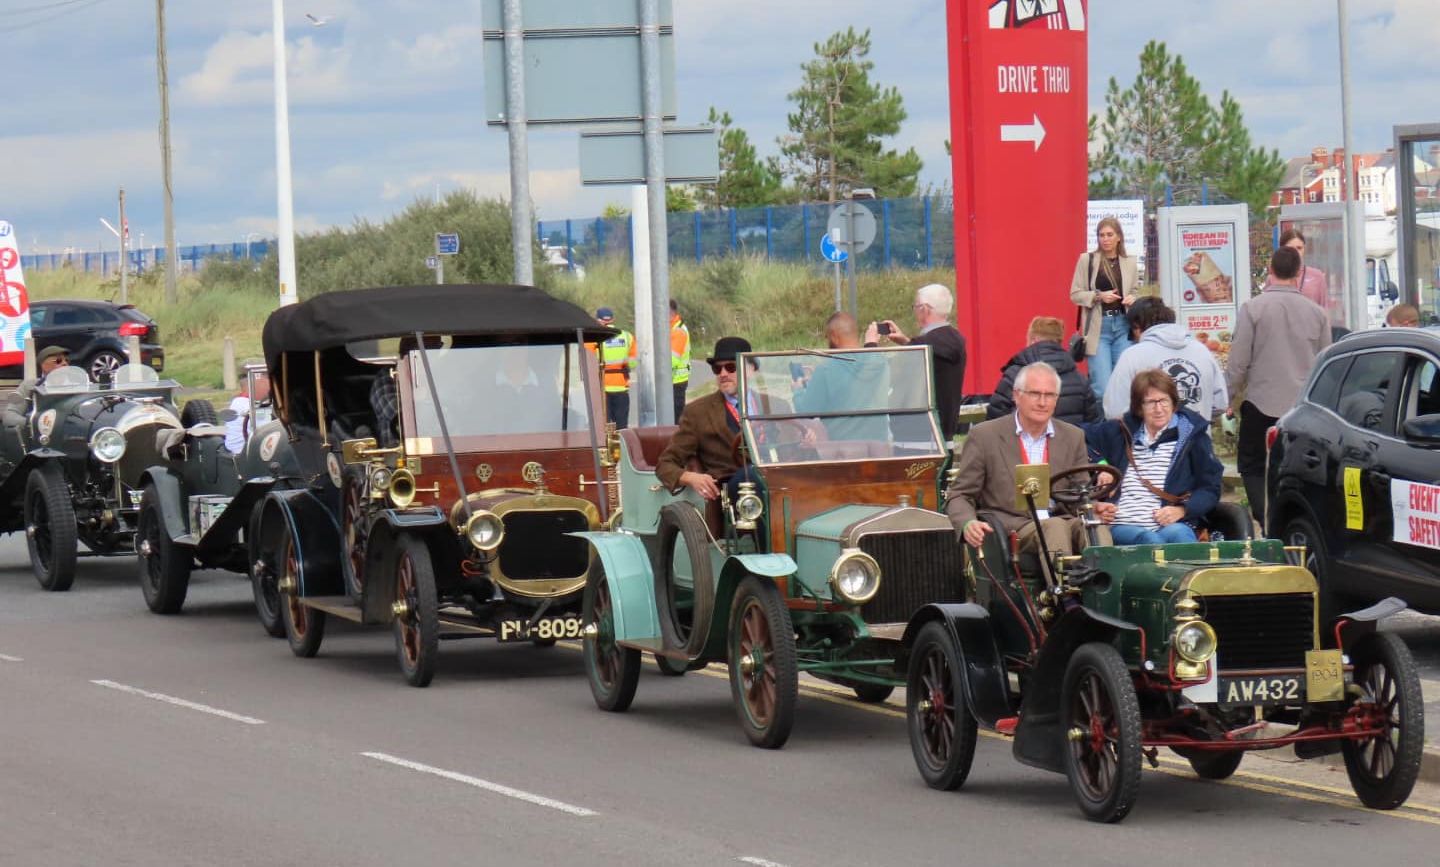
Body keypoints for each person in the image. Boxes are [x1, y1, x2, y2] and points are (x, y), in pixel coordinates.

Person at [946, 361, 1111, 566]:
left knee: (1096, 526)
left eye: (1049, 395)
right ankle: (1062, 595)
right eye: (1035, 394)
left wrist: (1094, 508)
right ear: (1017, 395)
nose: (1042, 402)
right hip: (1012, 527)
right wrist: (968, 523)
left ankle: (1105, 590)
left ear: (1057, 399)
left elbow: (1079, 495)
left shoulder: (1073, 436)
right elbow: (960, 494)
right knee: (1055, 527)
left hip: (1061, 519)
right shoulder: (984, 436)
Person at [1226, 245, 1331, 524]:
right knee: (1299, 470)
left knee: (1252, 465)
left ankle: (1265, 517)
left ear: (1270, 270)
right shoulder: (1318, 314)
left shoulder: (1253, 308)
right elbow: (1325, 364)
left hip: (1261, 402)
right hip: (1302, 408)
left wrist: (1228, 395)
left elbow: (1239, 361)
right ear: (1299, 272)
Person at [1086, 369, 1223, 545]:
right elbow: (1078, 437)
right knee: (1150, 540)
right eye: (1150, 402)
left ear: (1174, 403)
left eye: (1164, 401)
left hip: (1169, 521)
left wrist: (1183, 510)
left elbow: (1210, 487)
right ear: (1139, 407)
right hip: (1122, 522)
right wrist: (1102, 466)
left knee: (1181, 536)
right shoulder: (1119, 431)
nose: (1158, 409)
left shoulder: (1193, 436)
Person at [658, 336, 783, 500]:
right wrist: (691, 478)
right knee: (751, 477)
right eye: (717, 369)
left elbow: (796, 450)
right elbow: (665, 465)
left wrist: (808, 440)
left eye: (731, 367)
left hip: (780, 481)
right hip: (735, 492)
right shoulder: (697, 412)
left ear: (751, 369)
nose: (723, 374)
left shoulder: (777, 405)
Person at [867, 282, 967, 444]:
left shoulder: (930, 344)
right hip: (939, 435)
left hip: (917, 437)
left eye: (916, 306)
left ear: (925, 309)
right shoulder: (951, 340)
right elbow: (930, 358)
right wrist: (907, 343)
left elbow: (884, 374)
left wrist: (870, 344)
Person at [1103, 298, 1228, 420]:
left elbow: (1114, 410)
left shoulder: (1132, 356)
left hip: (1149, 439)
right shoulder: (1201, 351)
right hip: (1197, 438)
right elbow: (1220, 403)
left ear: (1137, 327)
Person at [1070, 217, 1139, 400]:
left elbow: (1135, 291)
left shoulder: (1130, 262)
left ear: (1119, 238)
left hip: (1123, 325)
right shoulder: (1088, 260)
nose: (1105, 239)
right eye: (1101, 235)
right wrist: (1099, 296)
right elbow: (1075, 294)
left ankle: (1123, 427)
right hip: (1099, 328)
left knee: (1125, 382)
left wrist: (1133, 298)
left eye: (1110, 235)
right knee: (1102, 386)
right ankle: (1104, 427)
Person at [793, 312, 891, 442]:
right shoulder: (881, 364)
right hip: (879, 449)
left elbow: (807, 411)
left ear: (834, 337)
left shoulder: (825, 369)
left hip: (843, 450)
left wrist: (798, 391)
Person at [986, 315, 1099, 426]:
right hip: (1069, 443)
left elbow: (995, 418)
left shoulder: (1015, 374)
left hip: (1020, 442)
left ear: (1033, 340)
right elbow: (1093, 421)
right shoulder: (1080, 379)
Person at [4, 346, 74, 430]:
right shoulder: (30, 386)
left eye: (67, 360)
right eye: (58, 361)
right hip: (40, 436)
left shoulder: (79, 386)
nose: (65, 363)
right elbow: (9, 415)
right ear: (43, 365)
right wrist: (33, 423)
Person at [593, 307, 636, 430]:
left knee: (604, 428)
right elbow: (633, 363)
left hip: (602, 388)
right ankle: (621, 448)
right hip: (621, 386)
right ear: (613, 319)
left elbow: (588, 362)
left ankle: (608, 449)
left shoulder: (595, 337)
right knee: (621, 428)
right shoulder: (627, 336)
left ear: (599, 321)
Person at [1278, 228, 1332, 312]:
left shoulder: (1317, 276)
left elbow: (1324, 309)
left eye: (1299, 248)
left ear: (1304, 249)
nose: (1295, 252)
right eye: (1290, 248)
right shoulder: (1273, 278)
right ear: (1281, 249)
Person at [225, 368, 272, 453]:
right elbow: (272, 429)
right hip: (246, 454)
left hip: (244, 451)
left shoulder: (238, 401)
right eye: (268, 379)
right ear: (256, 382)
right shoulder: (246, 405)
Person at [669, 299, 691, 423]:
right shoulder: (672, 329)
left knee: (675, 420)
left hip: (676, 380)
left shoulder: (678, 331)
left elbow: (672, 360)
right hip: (673, 381)